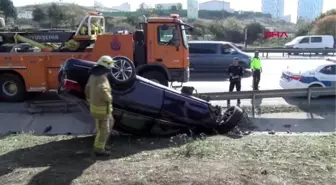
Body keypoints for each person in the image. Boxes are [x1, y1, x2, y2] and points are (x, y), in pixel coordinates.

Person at [85, 56, 116, 156]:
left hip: (95, 107)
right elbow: (103, 91)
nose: (110, 71)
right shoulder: (101, 78)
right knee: (104, 130)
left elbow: (87, 89)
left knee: (109, 123)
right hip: (102, 109)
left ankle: (102, 144)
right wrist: (109, 98)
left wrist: (89, 100)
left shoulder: (93, 75)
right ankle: (99, 149)